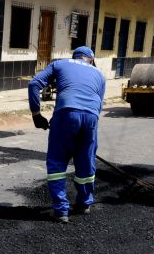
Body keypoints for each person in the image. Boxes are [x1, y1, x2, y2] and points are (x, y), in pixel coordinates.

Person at [27, 46, 106, 223]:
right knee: (86, 162)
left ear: (75, 57)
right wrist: (85, 129)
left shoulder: (60, 64)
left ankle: (61, 210)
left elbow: (34, 84)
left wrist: (36, 114)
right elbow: (98, 104)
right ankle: (85, 203)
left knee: (57, 162)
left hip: (65, 115)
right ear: (90, 59)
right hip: (91, 118)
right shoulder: (99, 74)